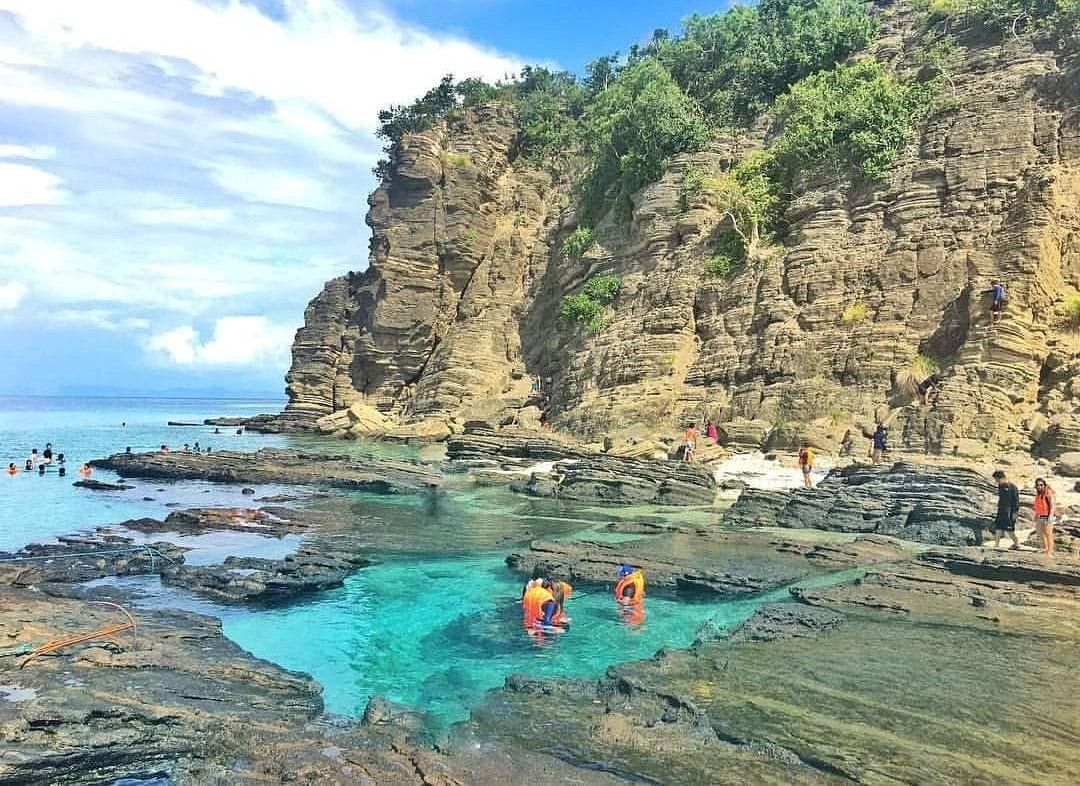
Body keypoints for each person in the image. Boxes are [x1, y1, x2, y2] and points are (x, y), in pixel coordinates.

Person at [990, 470, 1020, 549]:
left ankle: (1017, 543)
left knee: (1009, 529)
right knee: (998, 527)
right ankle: (996, 544)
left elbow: (1016, 500)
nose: (996, 482)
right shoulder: (1000, 486)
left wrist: (1015, 512)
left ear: (1002, 478)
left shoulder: (1012, 487)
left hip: (1009, 511)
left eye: (997, 480)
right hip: (1001, 509)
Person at [1033, 478, 1055, 556]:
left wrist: (1050, 516)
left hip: (1048, 516)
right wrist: (1036, 515)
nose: (1039, 486)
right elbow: (1037, 506)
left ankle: (1050, 551)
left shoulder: (1048, 493)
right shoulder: (1039, 494)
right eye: (1038, 485)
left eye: (1041, 485)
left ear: (1044, 485)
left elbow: (1052, 506)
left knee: (1048, 534)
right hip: (1041, 516)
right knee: (1041, 533)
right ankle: (1045, 548)